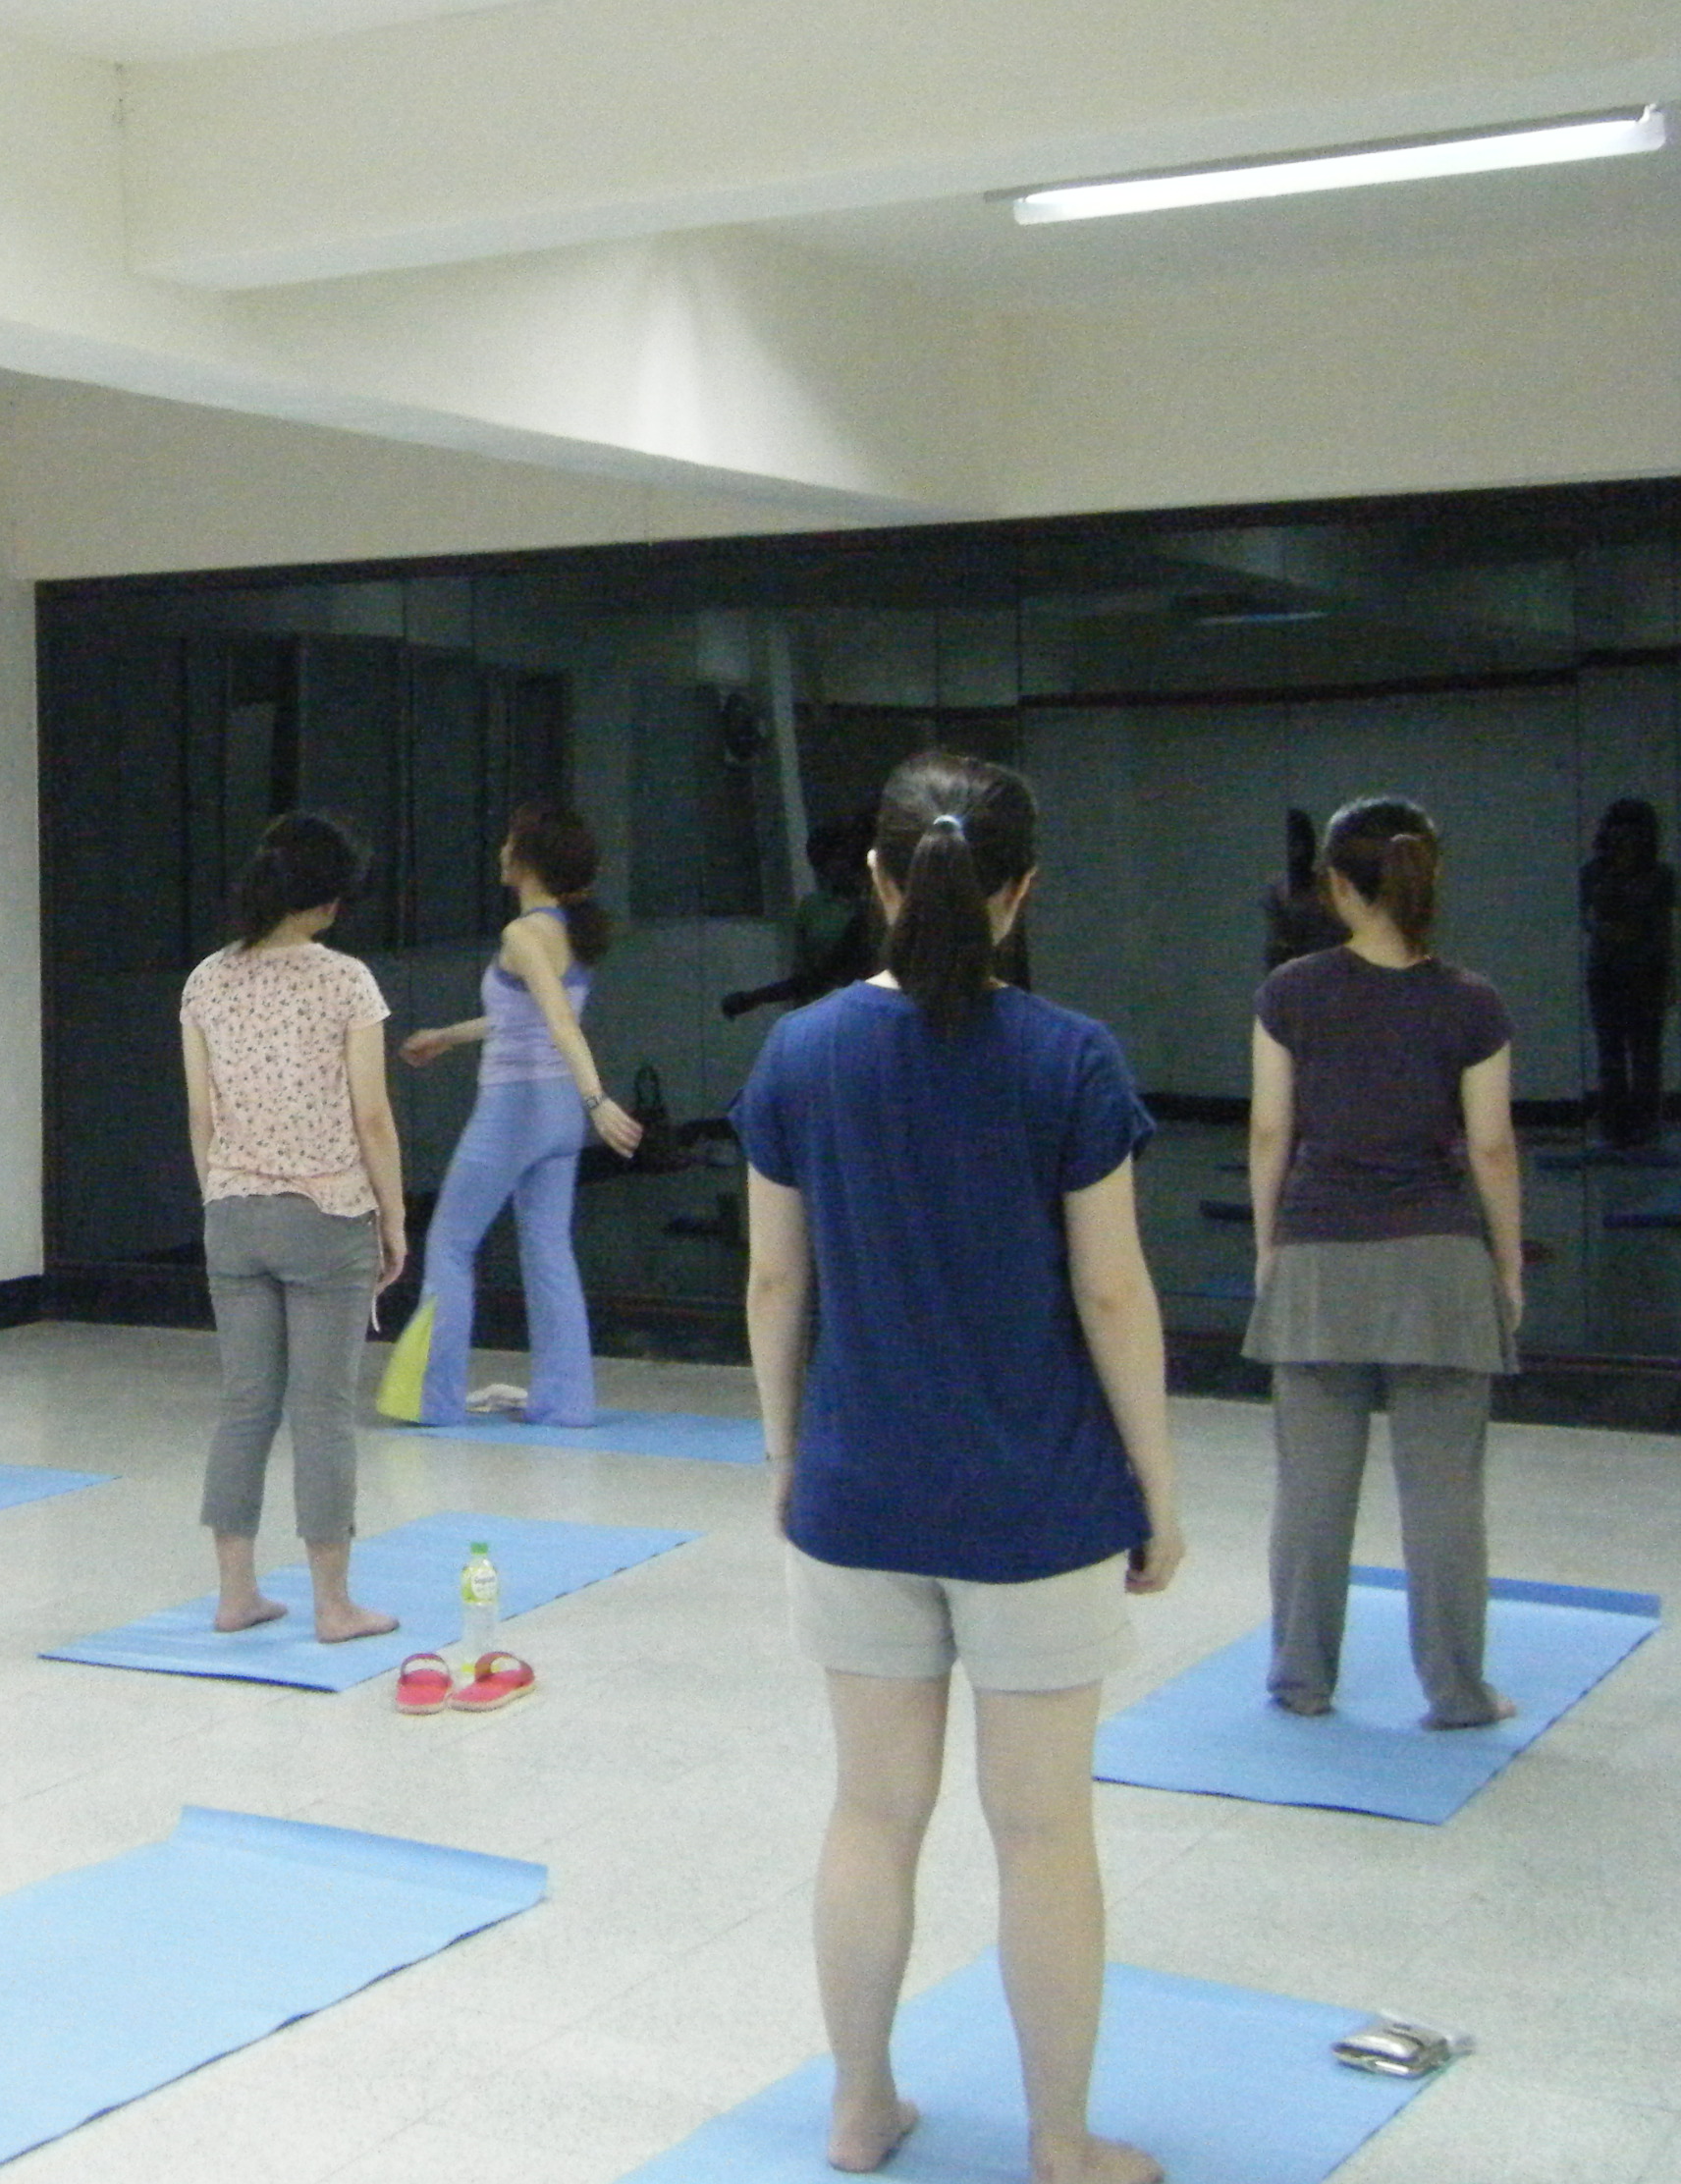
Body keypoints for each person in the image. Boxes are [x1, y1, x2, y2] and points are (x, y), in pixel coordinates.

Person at [738, 752, 1182, 2184]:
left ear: (877, 878)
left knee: (872, 1813)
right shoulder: (1071, 1057)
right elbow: (1112, 1292)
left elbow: (774, 1284)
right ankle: (1060, 2141)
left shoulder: (800, 1055)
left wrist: (788, 1456)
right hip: (1038, 1505)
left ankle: (859, 2108)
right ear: (1021, 890)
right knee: (1044, 1832)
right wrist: (1159, 1491)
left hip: (857, 1494)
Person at [1249, 795, 1522, 1728]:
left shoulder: (1289, 992)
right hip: (1440, 1265)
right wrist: (1507, 1268)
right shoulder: (1473, 1002)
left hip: (1318, 1257)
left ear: (1334, 885)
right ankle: (1457, 1691)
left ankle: (1299, 1679)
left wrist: (1268, 1247)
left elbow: (1270, 1133)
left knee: (1311, 1492)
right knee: (1444, 1496)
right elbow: (1492, 1150)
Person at [181, 812, 405, 1644]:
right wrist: (394, 1214)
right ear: (325, 898)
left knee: (245, 1405)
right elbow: (371, 1115)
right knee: (323, 1412)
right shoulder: (346, 982)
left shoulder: (207, 981)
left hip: (232, 1214)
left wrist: (222, 1196)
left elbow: (201, 1115)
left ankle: (235, 1594)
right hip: (328, 1215)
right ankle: (334, 1605)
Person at [385, 802, 644, 1426]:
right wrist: (447, 1036)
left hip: (515, 1110)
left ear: (529, 861)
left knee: (450, 1243)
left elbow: (558, 1024)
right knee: (549, 1249)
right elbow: (521, 1019)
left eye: (510, 843)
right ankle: (566, 1401)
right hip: (558, 1116)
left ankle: (433, 1400)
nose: (501, 851)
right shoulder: (569, 934)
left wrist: (599, 1099)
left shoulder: (523, 936)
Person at [1581, 797, 1673, 1154]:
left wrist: (1671, 977)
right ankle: (1615, 1128)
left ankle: (1646, 1127)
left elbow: (1665, 929)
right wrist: (1608, 928)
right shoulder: (1593, 872)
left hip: (1648, 972)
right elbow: (1588, 917)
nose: (1626, 838)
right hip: (1606, 972)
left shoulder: (1661, 876)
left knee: (1645, 1052)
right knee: (1611, 1052)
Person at [723, 815, 880, 1018]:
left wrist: (755, 997)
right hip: (830, 1012)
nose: (839, 866)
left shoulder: (877, 905)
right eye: (830, 860)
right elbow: (810, 975)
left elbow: (821, 975)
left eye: (843, 857)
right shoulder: (813, 907)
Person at [1262, 809, 1347, 975]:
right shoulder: (1277, 892)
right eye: (1293, 844)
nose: (1299, 851)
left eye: (1303, 843)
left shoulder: (1333, 887)